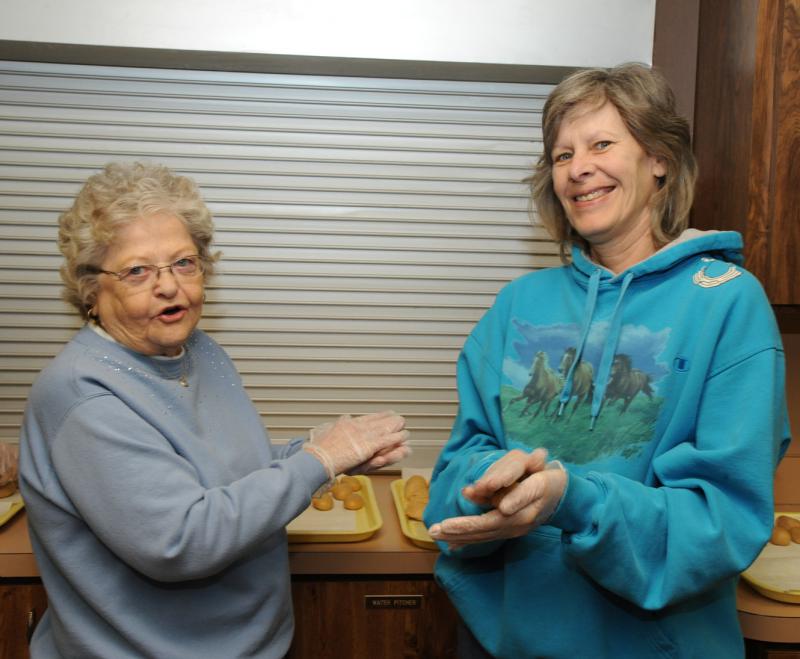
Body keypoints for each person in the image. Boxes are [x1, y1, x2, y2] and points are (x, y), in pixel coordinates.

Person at [423, 63, 791, 659]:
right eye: (562, 154)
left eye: (601, 144)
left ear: (660, 160)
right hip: (502, 643)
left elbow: (723, 519)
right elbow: (454, 477)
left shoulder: (726, 300)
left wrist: (572, 500)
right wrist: (489, 488)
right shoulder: (519, 304)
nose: (579, 168)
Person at [18, 161, 410, 659]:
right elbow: (183, 540)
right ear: (91, 290)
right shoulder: (83, 396)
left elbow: (223, 469)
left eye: (184, 262)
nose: (168, 286)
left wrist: (318, 449)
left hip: (250, 644)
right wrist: (320, 461)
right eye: (138, 270)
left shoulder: (198, 350)